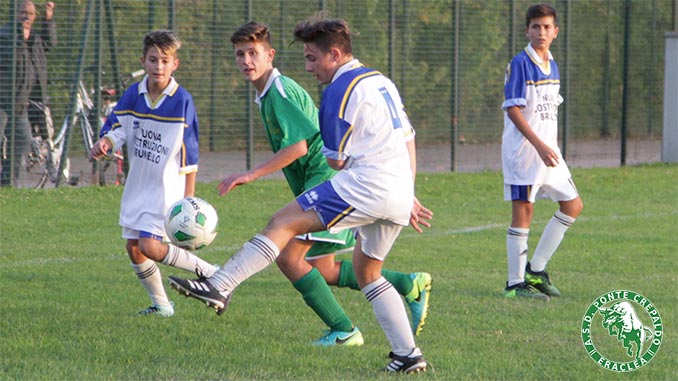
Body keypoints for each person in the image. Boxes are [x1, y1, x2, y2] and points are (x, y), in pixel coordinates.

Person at [170, 15, 431, 373]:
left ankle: (220, 285)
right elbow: (408, 138)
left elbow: (336, 161)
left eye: (312, 58)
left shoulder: (338, 90)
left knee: (282, 223)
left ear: (334, 54)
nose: (309, 68)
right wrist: (407, 189)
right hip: (397, 189)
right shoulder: (380, 80)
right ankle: (408, 355)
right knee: (367, 272)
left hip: (365, 184)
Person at [89, 30, 219, 317]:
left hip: (166, 190)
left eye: (165, 60)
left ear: (175, 64)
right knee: (134, 248)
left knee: (149, 245)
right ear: (143, 61)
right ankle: (162, 306)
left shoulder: (182, 100)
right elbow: (117, 128)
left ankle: (213, 275)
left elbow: (190, 153)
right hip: (138, 187)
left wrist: (189, 197)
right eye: (153, 59)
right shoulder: (133, 95)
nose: (158, 66)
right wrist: (106, 142)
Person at [501, 3, 583, 301]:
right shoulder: (521, 63)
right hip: (524, 152)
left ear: (556, 31)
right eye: (535, 26)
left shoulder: (553, 63)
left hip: (549, 154)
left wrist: (551, 147)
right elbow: (513, 109)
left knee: (572, 205)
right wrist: (538, 144)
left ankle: (535, 271)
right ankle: (513, 284)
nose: (541, 32)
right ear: (527, 30)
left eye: (547, 27)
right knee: (524, 211)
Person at [0, 0, 56, 187]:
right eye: (24, 13)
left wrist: (48, 19)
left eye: (31, 14)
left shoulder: (34, 38)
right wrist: (21, 36)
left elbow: (50, 42)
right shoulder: (6, 35)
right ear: (16, 13)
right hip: (3, 101)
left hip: (21, 104)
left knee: (22, 140)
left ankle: (7, 183)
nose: (27, 17)